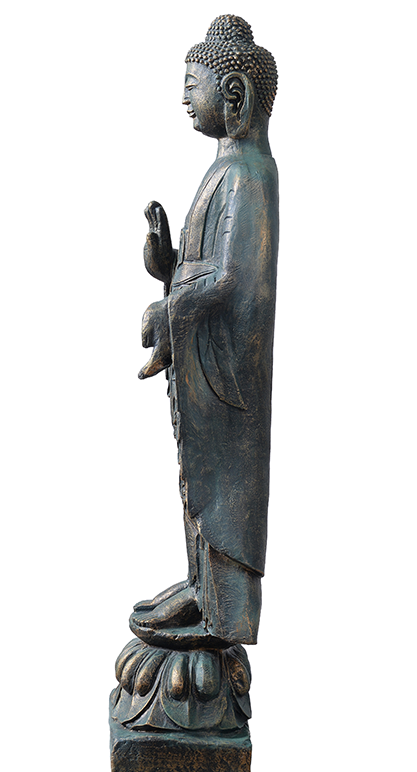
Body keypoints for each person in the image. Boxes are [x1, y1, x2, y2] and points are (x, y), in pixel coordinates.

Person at [132, 16, 278, 646]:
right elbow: (203, 267)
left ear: (234, 95)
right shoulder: (225, 169)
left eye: (194, 84)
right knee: (199, 477)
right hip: (204, 364)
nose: (184, 97)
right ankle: (202, 588)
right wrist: (166, 260)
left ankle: (227, 613)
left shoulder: (250, 175)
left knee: (224, 485)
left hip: (229, 371)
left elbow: (230, 279)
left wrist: (168, 310)